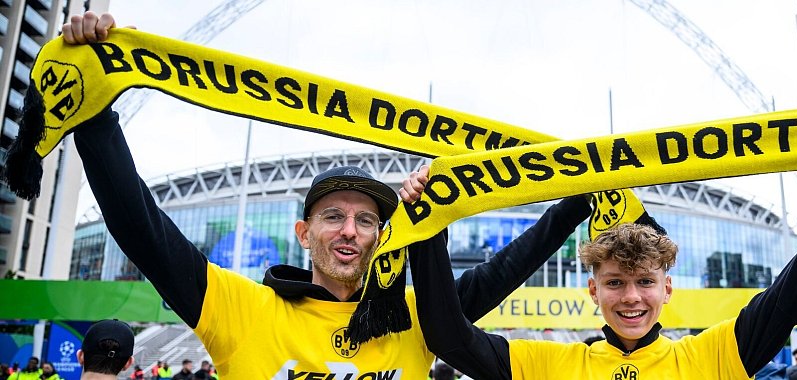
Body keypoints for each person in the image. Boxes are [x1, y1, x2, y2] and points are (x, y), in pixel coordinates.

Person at [63, 12, 595, 379]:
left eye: (367, 221)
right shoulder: (243, 309)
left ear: (383, 236)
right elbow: (139, 227)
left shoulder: (414, 316)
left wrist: (578, 197)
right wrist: (95, 115)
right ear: (304, 232)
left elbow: (503, 270)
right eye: (334, 216)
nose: (349, 230)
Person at [407, 104, 797, 378]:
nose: (632, 297)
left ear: (668, 288)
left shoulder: (710, 356)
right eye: (616, 282)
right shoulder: (547, 362)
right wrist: (427, 231)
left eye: (645, 281)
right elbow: (448, 335)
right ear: (593, 291)